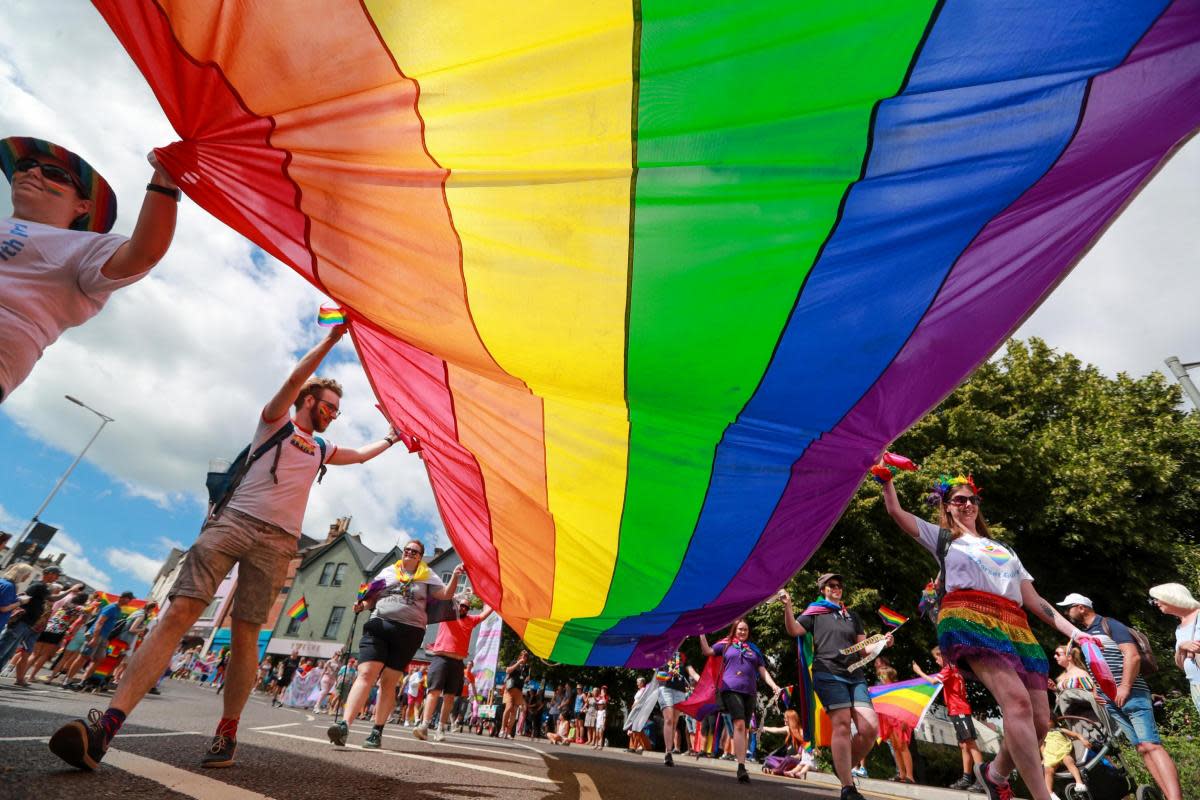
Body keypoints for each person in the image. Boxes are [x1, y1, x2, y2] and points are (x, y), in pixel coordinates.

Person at [49, 324, 405, 771]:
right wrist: (332, 342)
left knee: (245, 635)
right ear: (311, 401)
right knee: (179, 613)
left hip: (279, 544)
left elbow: (361, 454)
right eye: (331, 406)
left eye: (338, 410)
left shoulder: (321, 447)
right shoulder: (274, 421)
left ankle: (227, 733)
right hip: (232, 522)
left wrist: (393, 437)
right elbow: (294, 381)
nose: (335, 415)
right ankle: (106, 729)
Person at [882, 469, 1083, 800]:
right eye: (958, 500)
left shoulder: (1003, 549)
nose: (966, 505)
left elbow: (1035, 601)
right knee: (1016, 704)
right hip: (970, 618)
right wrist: (887, 481)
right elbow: (897, 514)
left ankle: (995, 774)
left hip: (1014, 626)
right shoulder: (943, 539)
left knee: (1040, 722)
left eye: (971, 499)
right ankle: (1041, 797)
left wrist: (1079, 633)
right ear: (946, 506)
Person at [0, 137, 179, 402]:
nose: (32, 172)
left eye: (54, 174)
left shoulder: (87, 248)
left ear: (82, 206)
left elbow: (143, 254)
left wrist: (165, 182)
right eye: (26, 165)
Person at [328, 544, 461, 749]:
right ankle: (345, 725)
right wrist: (361, 605)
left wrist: (455, 576)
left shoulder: (427, 576)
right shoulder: (389, 572)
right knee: (366, 673)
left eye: (415, 551)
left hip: (409, 632)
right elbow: (371, 597)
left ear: (420, 556)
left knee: (388, 682)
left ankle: (376, 731)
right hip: (379, 625)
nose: (409, 552)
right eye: (407, 549)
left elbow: (445, 594)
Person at [1059, 592, 1182, 800]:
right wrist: (1097, 690)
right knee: (1142, 748)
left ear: (1081, 607)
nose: (1065, 612)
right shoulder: (1084, 634)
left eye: (1068, 607)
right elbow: (1096, 665)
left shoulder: (1110, 624)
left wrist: (1124, 686)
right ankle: (1167, 797)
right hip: (1110, 699)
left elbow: (1132, 656)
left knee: (1151, 744)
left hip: (1131, 692)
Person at [779, 574, 887, 800]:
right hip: (827, 673)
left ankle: (842, 768)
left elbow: (862, 649)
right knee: (842, 724)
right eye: (832, 586)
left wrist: (881, 642)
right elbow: (794, 630)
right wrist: (787, 606)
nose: (837, 588)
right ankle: (848, 787)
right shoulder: (815, 612)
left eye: (839, 585)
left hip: (854, 674)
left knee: (870, 729)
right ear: (823, 590)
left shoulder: (852, 616)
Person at [699, 618, 783, 785]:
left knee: (744, 728)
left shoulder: (753, 650)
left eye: (745, 630)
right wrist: (701, 633)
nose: (742, 632)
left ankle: (741, 763)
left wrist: (774, 686)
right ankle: (741, 766)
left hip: (750, 692)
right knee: (739, 724)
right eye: (739, 629)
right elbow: (708, 651)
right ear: (734, 630)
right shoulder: (726, 644)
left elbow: (762, 670)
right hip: (730, 689)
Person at [415, 597, 492, 741]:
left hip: (457, 662)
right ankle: (424, 725)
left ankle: (441, 728)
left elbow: (484, 614)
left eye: (466, 607)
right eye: (461, 605)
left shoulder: (471, 620)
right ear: (456, 605)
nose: (463, 608)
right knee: (434, 692)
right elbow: (446, 597)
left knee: (449, 697)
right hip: (441, 658)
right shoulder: (447, 615)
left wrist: (493, 601)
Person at [913, 646, 984, 790]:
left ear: (942, 656)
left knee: (970, 743)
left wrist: (919, 671)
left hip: (960, 710)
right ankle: (966, 778)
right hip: (956, 710)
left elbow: (933, 682)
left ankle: (983, 779)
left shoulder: (948, 668)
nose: (936, 660)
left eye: (937, 657)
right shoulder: (953, 669)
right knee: (964, 745)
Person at [0, 566, 80, 679]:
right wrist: (70, 590)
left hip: (27, 623)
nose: (56, 578)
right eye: (56, 575)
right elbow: (53, 598)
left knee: (8, 652)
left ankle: (18, 678)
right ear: (48, 573)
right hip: (22, 622)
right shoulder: (39, 586)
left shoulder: (42, 587)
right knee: (4, 649)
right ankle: (19, 678)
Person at [1148, 583, 1200, 714]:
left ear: (1172, 597)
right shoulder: (1180, 628)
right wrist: (1182, 648)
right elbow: (1180, 664)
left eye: (1158, 599)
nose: (1156, 603)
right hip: (1195, 684)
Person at [872, 656, 914, 784]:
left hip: (898, 721)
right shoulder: (882, 690)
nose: (881, 678)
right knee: (895, 747)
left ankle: (910, 776)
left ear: (890, 676)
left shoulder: (897, 688)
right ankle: (901, 774)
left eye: (883, 676)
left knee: (903, 747)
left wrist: (904, 721)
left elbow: (904, 706)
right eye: (880, 676)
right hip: (888, 722)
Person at [1041, 727, 1087, 800]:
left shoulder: (1059, 729)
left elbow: (1076, 734)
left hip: (1063, 751)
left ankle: (1079, 782)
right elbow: (1042, 748)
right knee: (1048, 770)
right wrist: (1044, 758)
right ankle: (1050, 794)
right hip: (1052, 755)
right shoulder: (1043, 735)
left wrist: (1083, 740)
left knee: (1068, 761)